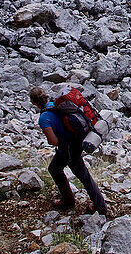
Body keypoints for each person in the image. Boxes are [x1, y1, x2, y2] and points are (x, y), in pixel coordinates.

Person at [29, 85, 107, 216]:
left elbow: (52, 141)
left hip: (68, 148)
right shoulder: (56, 104)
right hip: (76, 141)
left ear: (33, 102)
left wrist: (64, 144)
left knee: (82, 175)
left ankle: (99, 207)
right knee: (55, 168)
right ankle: (68, 200)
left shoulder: (43, 118)